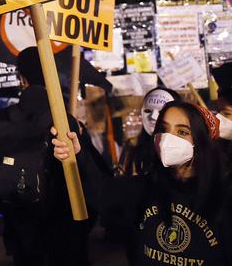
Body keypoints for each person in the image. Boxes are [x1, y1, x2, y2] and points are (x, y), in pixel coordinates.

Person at [54, 99, 232, 265]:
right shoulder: (144, 188)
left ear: (202, 141)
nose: (167, 138)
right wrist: (77, 153)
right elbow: (100, 190)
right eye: (163, 129)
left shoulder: (224, 197)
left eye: (182, 132)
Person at [0, 46, 101, 266]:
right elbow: (85, 174)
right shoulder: (64, 120)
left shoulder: (2, 118)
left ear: (21, 78)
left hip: (21, 227)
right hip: (63, 230)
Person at [118, 87, 181, 176]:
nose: (153, 117)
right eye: (148, 111)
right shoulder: (132, 145)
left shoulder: (184, 148)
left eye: (161, 111)